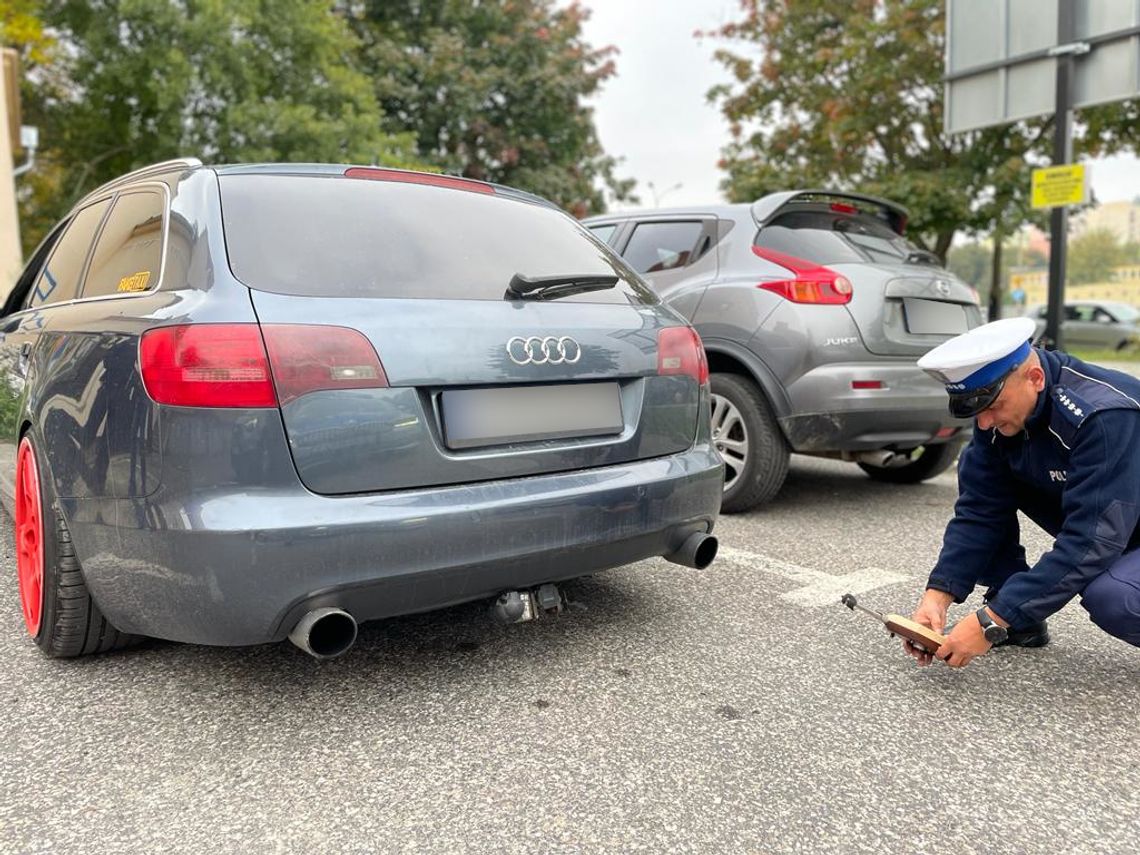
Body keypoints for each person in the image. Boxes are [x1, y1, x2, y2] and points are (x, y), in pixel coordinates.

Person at [907, 316, 1140, 668]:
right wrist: (938, 596)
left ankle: (1013, 610)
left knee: (1114, 596)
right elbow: (980, 511)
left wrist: (991, 621)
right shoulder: (1001, 410)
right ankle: (1021, 619)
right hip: (1122, 524)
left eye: (992, 407)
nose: (984, 424)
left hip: (1121, 530)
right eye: (976, 412)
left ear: (1035, 378)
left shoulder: (1102, 417)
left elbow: (1092, 541)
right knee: (990, 481)